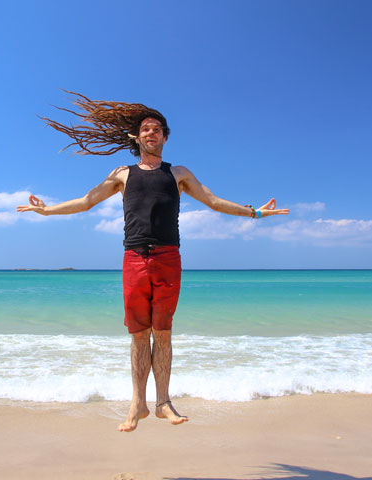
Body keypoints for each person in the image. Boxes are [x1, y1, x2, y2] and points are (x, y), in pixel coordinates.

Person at [17, 92, 289, 432]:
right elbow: (86, 202)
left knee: (162, 333)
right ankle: (137, 404)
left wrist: (256, 211)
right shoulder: (122, 174)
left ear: (165, 137)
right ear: (136, 137)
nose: (152, 133)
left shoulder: (178, 173)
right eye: (146, 129)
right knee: (137, 335)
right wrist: (46, 210)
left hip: (167, 258)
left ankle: (163, 403)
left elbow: (214, 202)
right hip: (133, 258)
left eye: (158, 129)